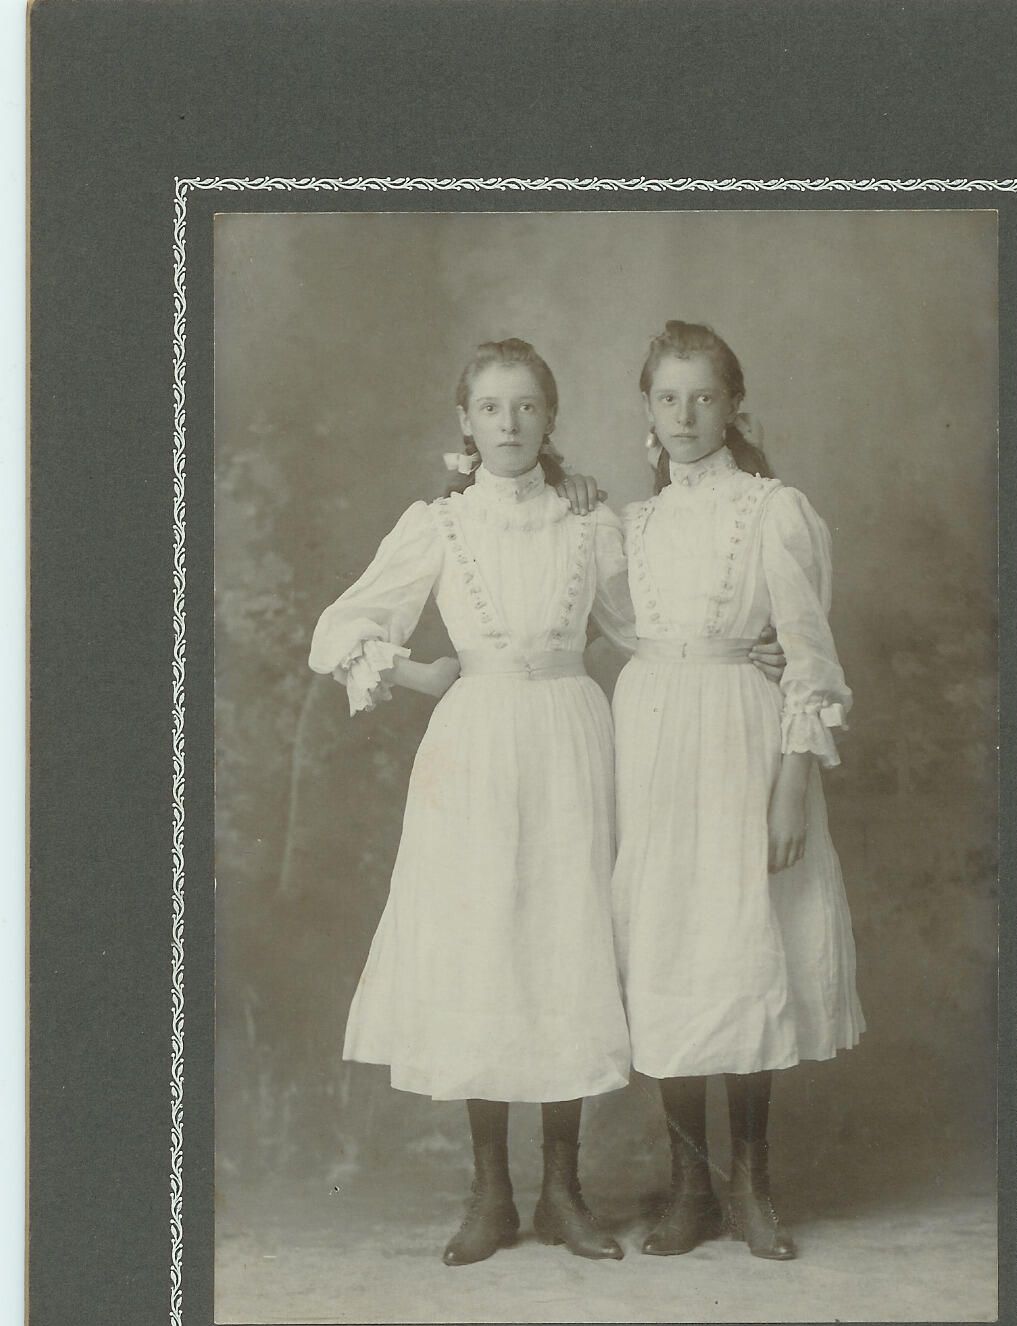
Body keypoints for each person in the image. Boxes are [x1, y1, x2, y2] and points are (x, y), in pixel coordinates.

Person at [308, 338, 630, 1267]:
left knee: (566, 943)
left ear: (550, 418)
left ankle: (563, 1192)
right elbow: (341, 627)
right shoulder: (439, 525)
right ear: (465, 422)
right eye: (491, 407)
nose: (509, 424)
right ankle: (491, 1193)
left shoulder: (589, 521)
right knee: (484, 945)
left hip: (571, 736)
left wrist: (752, 650)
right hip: (477, 744)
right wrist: (418, 673)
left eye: (526, 406)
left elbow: (647, 624)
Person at [599, 320, 864, 1261]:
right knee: (671, 951)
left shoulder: (772, 510)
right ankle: (690, 1188)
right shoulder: (629, 524)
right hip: (653, 746)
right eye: (667, 398)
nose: (684, 416)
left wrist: (792, 783)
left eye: (703, 397)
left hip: (745, 745)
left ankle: (751, 1183)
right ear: (646, 409)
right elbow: (599, 616)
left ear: (733, 407)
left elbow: (807, 656)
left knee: (746, 947)